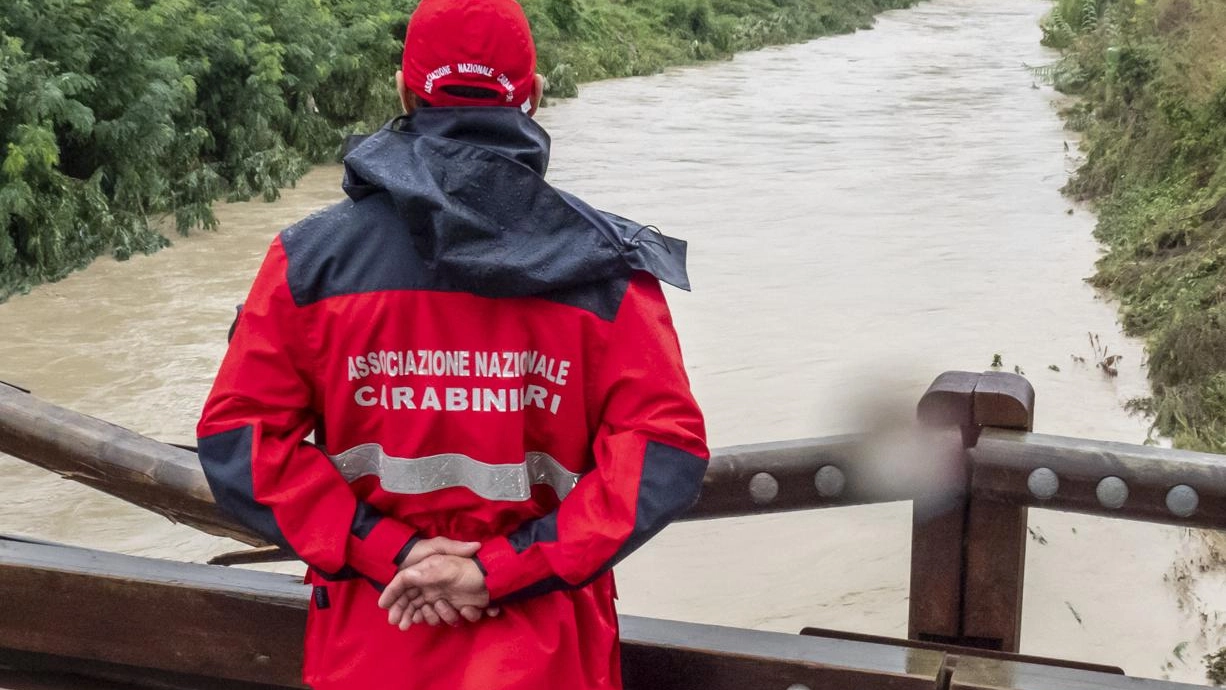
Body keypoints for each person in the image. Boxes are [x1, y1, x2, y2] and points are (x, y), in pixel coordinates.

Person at [195, 0, 709, 688]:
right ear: (533, 95)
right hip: (546, 655)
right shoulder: (607, 274)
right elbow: (665, 451)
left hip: (374, 640)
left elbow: (240, 441)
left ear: (405, 92)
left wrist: (391, 550)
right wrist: (498, 569)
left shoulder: (308, 262)